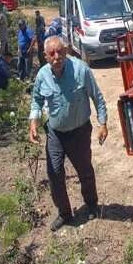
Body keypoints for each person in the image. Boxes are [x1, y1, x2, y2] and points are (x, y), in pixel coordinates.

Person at [29, 36, 108, 231]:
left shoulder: (81, 70)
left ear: (66, 51)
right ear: (46, 56)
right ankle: (64, 213)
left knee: (85, 170)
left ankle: (91, 204)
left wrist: (103, 123)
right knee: (54, 173)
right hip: (55, 133)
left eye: (60, 52)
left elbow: (97, 97)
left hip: (79, 131)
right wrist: (33, 123)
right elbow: (37, 100)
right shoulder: (42, 75)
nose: (57, 57)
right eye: (52, 53)